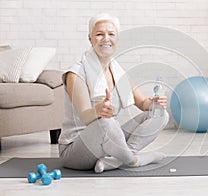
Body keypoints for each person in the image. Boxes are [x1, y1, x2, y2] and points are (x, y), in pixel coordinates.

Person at [58, 13, 169, 173]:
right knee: (105, 122)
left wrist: (154, 104)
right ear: (90, 39)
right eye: (99, 34)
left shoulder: (117, 71)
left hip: (109, 140)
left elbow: (143, 104)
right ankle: (133, 160)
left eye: (111, 34)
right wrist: (98, 111)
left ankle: (116, 159)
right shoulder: (76, 74)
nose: (106, 38)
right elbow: (84, 115)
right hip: (76, 149)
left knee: (160, 114)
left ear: (117, 39)